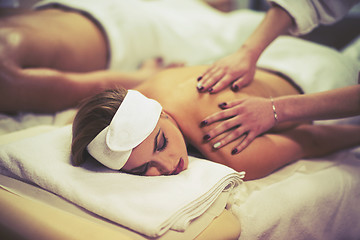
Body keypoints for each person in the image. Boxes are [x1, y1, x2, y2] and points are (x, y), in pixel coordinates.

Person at [71, 65, 360, 180]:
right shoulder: (134, 98)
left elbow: (311, 139)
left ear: (164, 114)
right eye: (144, 169)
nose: (167, 165)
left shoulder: (224, 140)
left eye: (161, 143)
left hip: (319, 76)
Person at [197, 0, 360, 152]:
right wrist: (248, 51)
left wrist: (276, 110)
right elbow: (311, 2)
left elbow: (309, 142)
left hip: (322, 73)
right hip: (295, 60)